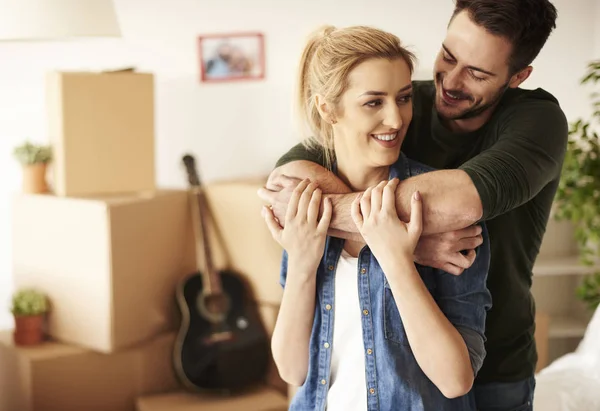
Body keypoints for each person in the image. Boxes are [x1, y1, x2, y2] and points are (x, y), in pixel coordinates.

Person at [258, 1, 568, 410]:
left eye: (477, 72)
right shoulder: (406, 100)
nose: (452, 81)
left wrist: (386, 238)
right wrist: (389, 235)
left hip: (495, 367)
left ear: (518, 76)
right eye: (448, 56)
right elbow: (285, 181)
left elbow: (461, 203)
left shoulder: (537, 121)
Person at [262, 25, 492, 411]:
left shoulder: (439, 210)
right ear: (327, 108)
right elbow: (291, 370)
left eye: (403, 98)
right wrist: (303, 262)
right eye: (374, 102)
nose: (396, 119)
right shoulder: (307, 205)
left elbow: (456, 380)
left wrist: (397, 259)